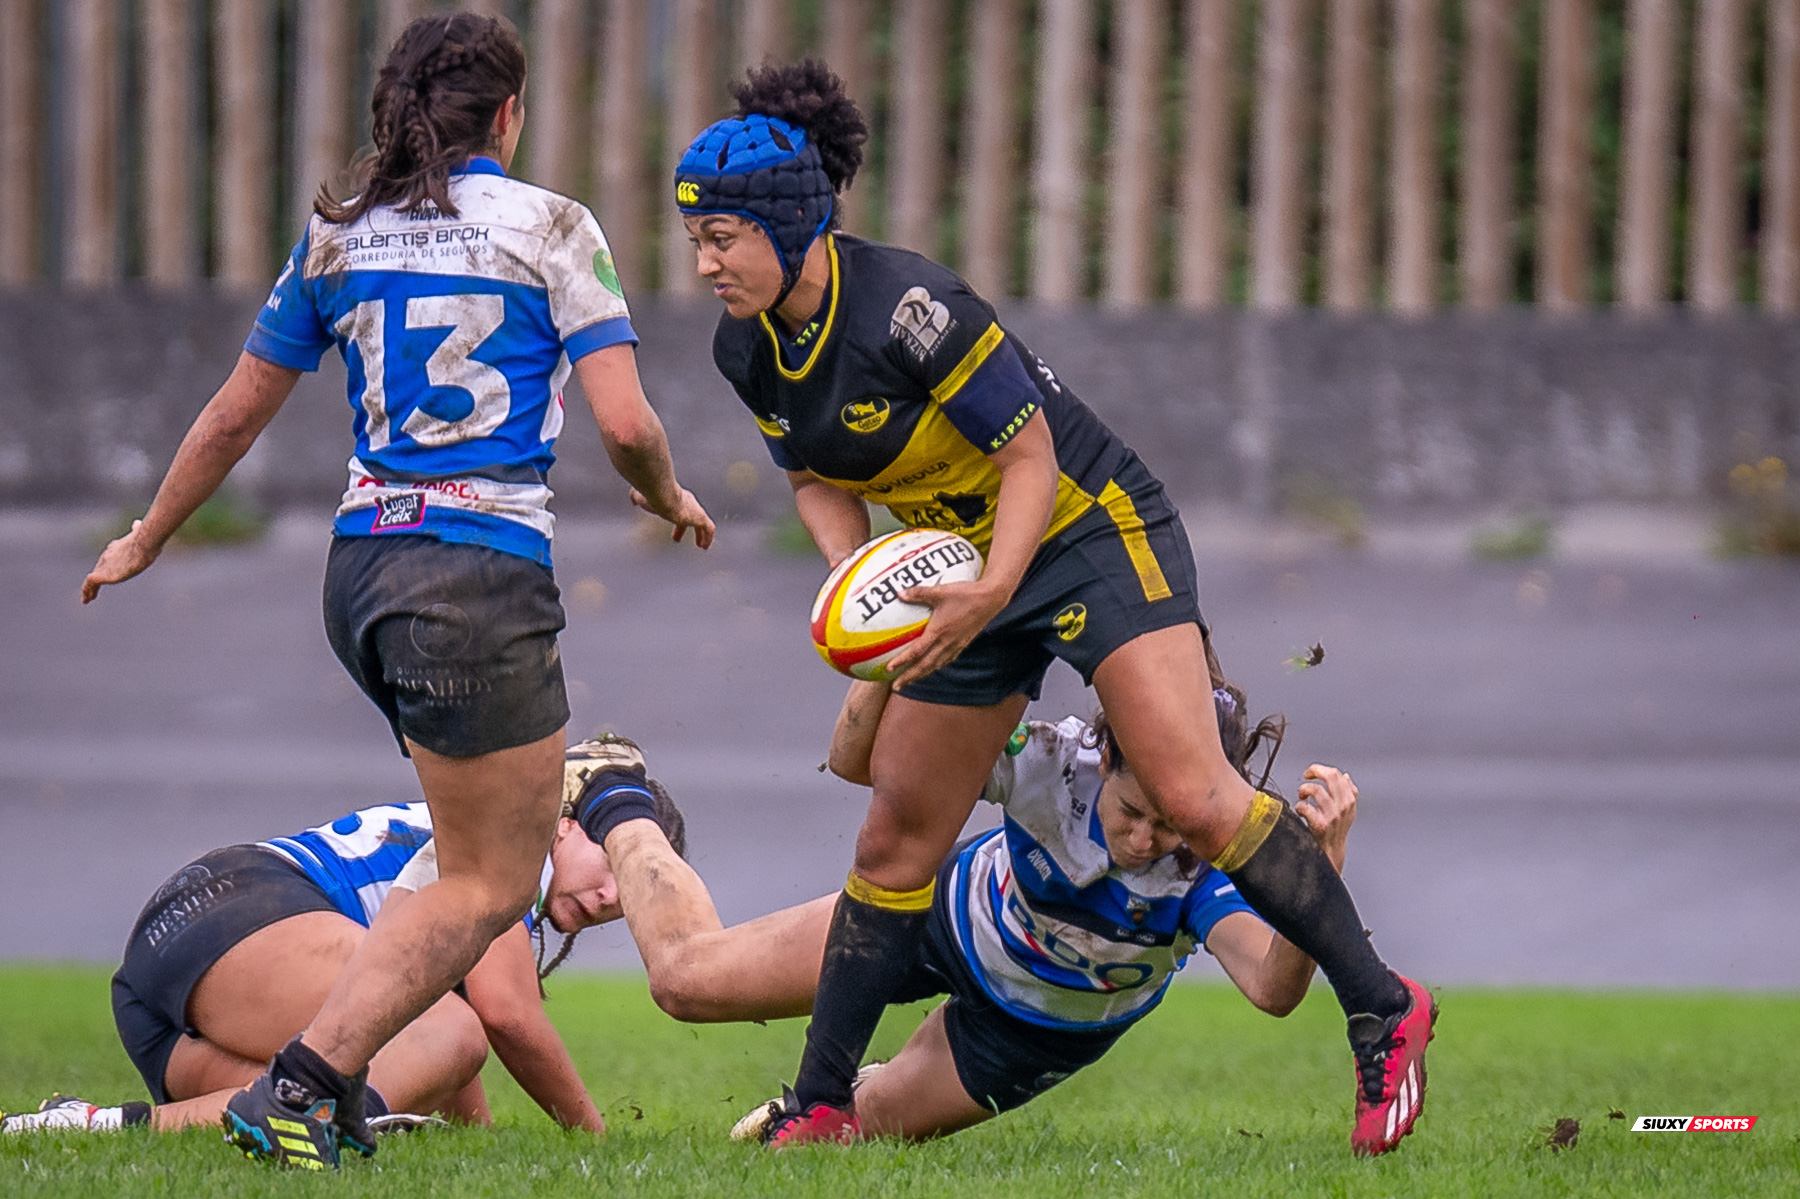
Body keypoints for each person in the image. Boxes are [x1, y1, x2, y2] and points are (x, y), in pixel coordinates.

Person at [672, 59, 1432, 1155]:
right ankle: (823, 1103)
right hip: (970, 566)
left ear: (794, 228)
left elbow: (1028, 456)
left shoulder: (910, 308)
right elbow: (814, 475)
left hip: (1087, 530)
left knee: (1188, 789)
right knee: (896, 835)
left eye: (723, 239)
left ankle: (1382, 1004)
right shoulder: (746, 346)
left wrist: (989, 587)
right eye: (696, 239)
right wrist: (860, 586)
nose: (703, 263)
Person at [78, 13, 713, 1169]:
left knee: (466, 861)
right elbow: (623, 421)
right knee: (490, 880)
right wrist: (667, 494)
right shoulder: (554, 227)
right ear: (509, 115)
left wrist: (145, 534)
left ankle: (293, 1085)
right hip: (475, 574)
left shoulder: (341, 232)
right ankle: (304, 1088)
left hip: (360, 572)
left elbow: (233, 412)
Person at [554, 682, 1386, 1144]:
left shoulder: (1214, 854)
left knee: (849, 1138)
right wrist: (888, 659)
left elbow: (1273, 987)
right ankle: (617, 792)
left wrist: (1322, 871)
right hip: (937, 918)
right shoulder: (1050, 760)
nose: (1148, 838)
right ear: (1107, 756)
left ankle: (848, 1091)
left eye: (1176, 823)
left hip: (1030, 1034)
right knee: (685, 982)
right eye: (1135, 809)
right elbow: (856, 763)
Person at [0, 740, 683, 1145]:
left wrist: (476, 1139)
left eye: (632, 899)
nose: (611, 901)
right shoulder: (517, 834)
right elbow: (502, 1014)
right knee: (449, 1031)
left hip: (164, 995)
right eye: (618, 868)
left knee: (291, 1102)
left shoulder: (512, 856)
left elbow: (443, 1027)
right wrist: (593, 1142)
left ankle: (90, 1124)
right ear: (568, 823)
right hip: (234, 910)